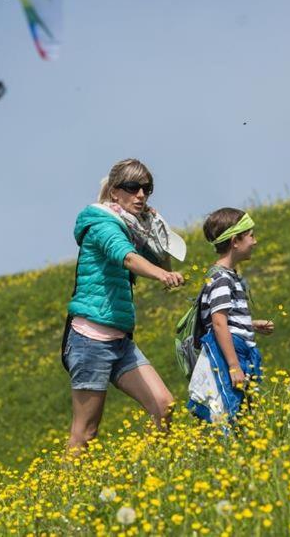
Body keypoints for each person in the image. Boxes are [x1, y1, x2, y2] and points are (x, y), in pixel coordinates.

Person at [63, 158, 185, 450]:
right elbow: (126, 257)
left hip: (120, 340)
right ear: (115, 192)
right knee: (86, 432)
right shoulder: (102, 224)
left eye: (147, 189)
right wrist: (162, 275)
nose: (141, 195)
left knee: (164, 406)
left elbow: (160, 258)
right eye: (132, 188)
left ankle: (152, 475)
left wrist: (157, 236)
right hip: (89, 339)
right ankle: (66, 492)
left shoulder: (132, 228)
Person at [186, 208, 274, 423]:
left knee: (244, 412)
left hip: (237, 347)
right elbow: (218, 323)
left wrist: (250, 325)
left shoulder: (228, 276)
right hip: (231, 352)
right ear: (235, 241)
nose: (255, 241)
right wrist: (234, 366)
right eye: (251, 235)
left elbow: (225, 319)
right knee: (229, 410)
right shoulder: (222, 279)